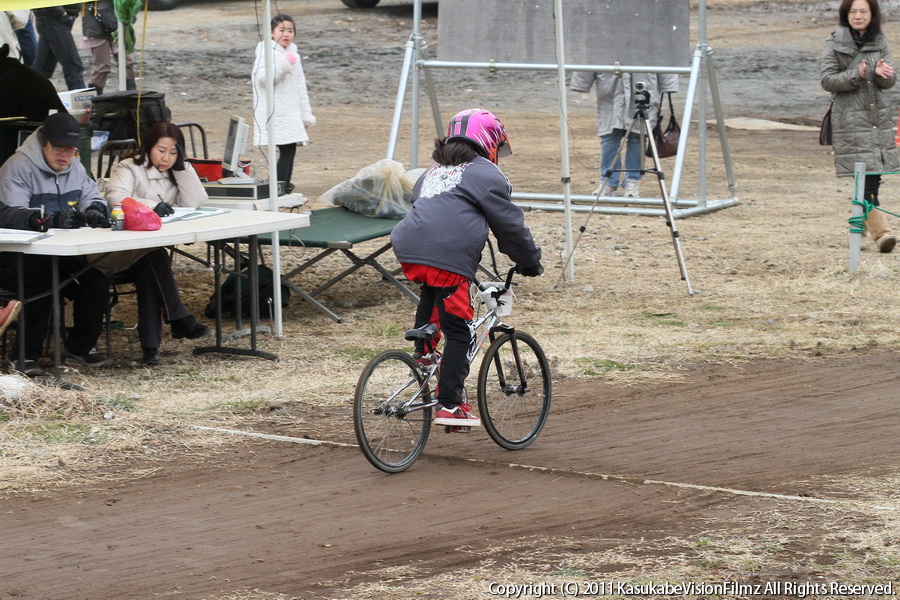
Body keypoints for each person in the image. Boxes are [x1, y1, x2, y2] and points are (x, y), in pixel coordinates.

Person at [390, 109, 544, 430]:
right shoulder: (487, 174)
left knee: (432, 288)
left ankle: (424, 351)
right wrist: (529, 260)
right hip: (448, 254)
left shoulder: (432, 171)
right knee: (461, 329)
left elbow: (435, 210)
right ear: (489, 140)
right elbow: (509, 226)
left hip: (408, 246)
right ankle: (449, 404)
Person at [0, 112, 112, 376]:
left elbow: (91, 195)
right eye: (59, 148)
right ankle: (24, 356)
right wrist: (51, 218)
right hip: (17, 255)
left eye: (71, 150)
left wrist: (95, 209)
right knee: (42, 283)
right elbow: (12, 214)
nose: (65, 155)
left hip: (59, 252)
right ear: (43, 143)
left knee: (95, 281)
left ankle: (80, 347)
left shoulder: (76, 166)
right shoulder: (16, 167)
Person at [103, 121, 211, 365]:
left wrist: (183, 167)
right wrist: (152, 207)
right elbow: (115, 197)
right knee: (155, 257)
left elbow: (195, 201)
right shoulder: (129, 167)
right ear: (149, 147)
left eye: (174, 152)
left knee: (151, 263)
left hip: (145, 252)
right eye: (161, 150)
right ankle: (177, 320)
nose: (166, 158)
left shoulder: (176, 170)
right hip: (118, 250)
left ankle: (151, 348)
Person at [820, 0, 898, 253]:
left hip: (878, 119)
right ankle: (882, 233)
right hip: (851, 120)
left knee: (872, 175)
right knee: (864, 177)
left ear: (872, 15)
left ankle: (860, 225)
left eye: (863, 11)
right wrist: (857, 74)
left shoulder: (880, 40)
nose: (858, 15)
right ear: (846, 15)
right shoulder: (834, 43)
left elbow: (889, 81)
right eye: (853, 11)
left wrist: (882, 74)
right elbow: (827, 80)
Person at [571, 71, 678, 198]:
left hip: (643, 83)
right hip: (610, 87)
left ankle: (631, 181)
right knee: (609, 136)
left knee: (638, 136)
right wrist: (581, 82)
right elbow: (590, 55)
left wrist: (669, 83)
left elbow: (665, 55)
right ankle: (608, 181)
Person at [251, 13, 315, 195]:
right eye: (282, 30)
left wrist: (304, 115)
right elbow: (262, 79)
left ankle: (283, 186)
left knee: (290, 149)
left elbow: (300, 87)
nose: (286, 34)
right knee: (286, 149)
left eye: (290, 30)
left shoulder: (293, 54)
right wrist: (284, 65)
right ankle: (279, 188)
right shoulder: (265, 51)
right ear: (272, 32)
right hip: (275, 111)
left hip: (290, 110)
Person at [81, 0, 136, 95]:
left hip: (116, 19)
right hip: (96, 21)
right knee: (102, 66)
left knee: (127, 62)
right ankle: (95, 99)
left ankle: (131, 95)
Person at [33, 5, 85, 91]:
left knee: (42, 69)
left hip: (54, 18)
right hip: (54, 18)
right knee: (73, 66)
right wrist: (61, 13)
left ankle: (24, 98)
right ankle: (79, 101)